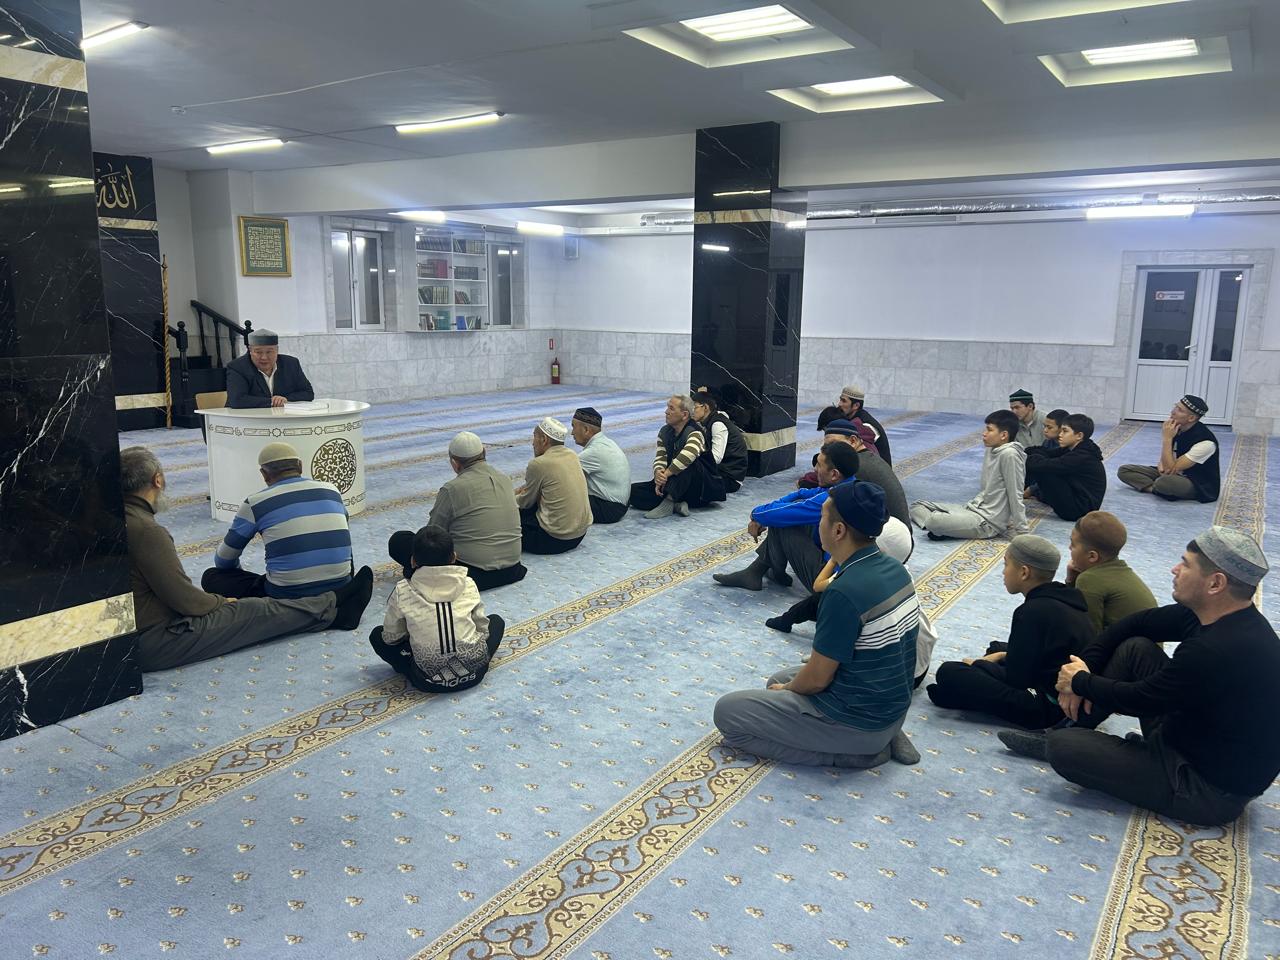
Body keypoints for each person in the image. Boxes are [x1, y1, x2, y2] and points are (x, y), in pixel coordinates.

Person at [999, 528, 1280, 827]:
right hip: (1192, 737)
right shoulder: (1215, 617)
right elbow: (1133, 624)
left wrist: (1079, 681)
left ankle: (1077, 738)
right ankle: (1074, 725)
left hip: (1205, 789)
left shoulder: (1215, 648)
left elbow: (1142, 698)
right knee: (1135, 648)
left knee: (1064, 748)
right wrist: (1084, 666)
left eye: (1185, 564)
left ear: (1215, 583)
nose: (1175, 569)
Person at [713, 481, 920, 768]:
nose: (817, 524)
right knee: (778, 679)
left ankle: (854, 754)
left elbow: (817, 680)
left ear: (838, 530)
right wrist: (787, 687)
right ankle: (882, 737)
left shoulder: (844, 592)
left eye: (821, 517)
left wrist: (789, 690)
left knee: (728, 714)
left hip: (859, 723)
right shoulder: (896, 569)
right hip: (891, 711)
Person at [120, 446, 372, 672]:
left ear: (264, 474)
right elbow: (187, 602)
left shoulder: (120, 521)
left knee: (221, 582)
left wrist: (222, 598)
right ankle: (334, 608)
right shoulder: (146, 530)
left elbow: (222, 562)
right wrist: (221, 603)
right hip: (152, 639)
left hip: (128, 634)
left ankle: (332, 604)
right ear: (158, 480)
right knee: (253, 610)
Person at [927, 535, 1093, 728]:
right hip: (1060, 687)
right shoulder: (1064, 597)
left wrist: (980, 664)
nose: (1003, 572)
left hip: (1046, 706)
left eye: (1006, 565)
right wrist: (999, 656)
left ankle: (961, 695)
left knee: (949, 672)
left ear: (1024, 572)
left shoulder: (1031, 611)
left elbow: (1017, 679)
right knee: (996, 648)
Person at [202, 442, 353, 599]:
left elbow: (224, 560)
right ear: (300, 466)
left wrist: (237, 574)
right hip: (340, 589)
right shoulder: (331, 490)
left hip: (285, 596)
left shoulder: (255, 502)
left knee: (211, 576)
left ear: (264, 474)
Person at [369, 525, 505, 693]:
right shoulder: (468, 583)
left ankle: (414, 667)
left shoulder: (403, 590)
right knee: (497, 621)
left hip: (427, 681)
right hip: (475, 673)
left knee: (377, 635)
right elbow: (483, 631)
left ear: (413, 561)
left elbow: (391, 638)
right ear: (454, 557)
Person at [712, 441, 860, 593]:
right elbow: (803, 494)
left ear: (834, 474)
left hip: (830, 582)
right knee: (786, 514)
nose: (815, 469)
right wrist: (769, 512)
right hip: (847, 571)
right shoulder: (849, 487)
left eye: (819, 465)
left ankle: (762, 572)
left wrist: (755, 514)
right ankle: (763, 572)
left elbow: (780, 514)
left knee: (783, 521)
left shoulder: (831, 501)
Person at [387, 431, 526, 590]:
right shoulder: (505, 479)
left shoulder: (452, 489)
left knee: (400, 540)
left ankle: (421, 575)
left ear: (454, 463)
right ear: (484, 452)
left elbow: (432, 536)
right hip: (512, 569)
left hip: (471, 575)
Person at [910, 410, 1028, 541]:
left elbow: (1015, 493)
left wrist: (1022, 530)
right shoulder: (991, 449)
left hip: (987, 522)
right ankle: (942, 527)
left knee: (934, 520)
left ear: (1004, 435)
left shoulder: (1010, 455)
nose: (984, 433)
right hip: (972, 508)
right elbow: (987, 489)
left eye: (989, 430)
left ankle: (940, 526)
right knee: (917, 505)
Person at [630, 395, 726, 518]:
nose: (666, 412)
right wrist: (658, 474)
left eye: (671, 408)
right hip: (675, 485)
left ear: (684, 415)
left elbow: (689, 455)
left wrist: (666, 474)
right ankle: (675, 505)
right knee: (633, 491)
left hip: (700, 490)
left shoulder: (695, 432)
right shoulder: (665, 431)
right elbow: (661, 457)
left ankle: (668, 501)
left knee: (688, 463)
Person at [1064, 511, 1157, 634]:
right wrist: (1072, 581)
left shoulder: (1090, 578)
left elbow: (1086, 632)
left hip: (1128, 646)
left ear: (1092, 556)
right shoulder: (1120, 571)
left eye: (1073, 544)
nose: (1069, 548)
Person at [1117, 395, 1220, 503]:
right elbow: (1165, 462)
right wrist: (1161, 465)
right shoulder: (1177, 428)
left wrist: (1167, 439)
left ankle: (1160, 488)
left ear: (1191, 418)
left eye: (1179, 410)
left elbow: (1170, 469)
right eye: (1175, 407)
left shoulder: (1206, 443)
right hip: (1172, 472)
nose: (1173, 412)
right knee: (1124, 471)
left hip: (1196, 483)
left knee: (1164, 482)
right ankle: (1156, 490)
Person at [515, 417, 592, 554]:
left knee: (506, 519)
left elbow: (525, 502)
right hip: (579, 536)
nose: (532, 443)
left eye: (534, 437)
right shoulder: (572, 455)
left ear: (544, 439)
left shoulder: (539, 463)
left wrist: (505, 499)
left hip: (553, 540)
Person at [822, 420, 909, 527]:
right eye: (827, 446)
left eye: (833, 444)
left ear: (853, 441)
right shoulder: (867, 457)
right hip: (899, 531)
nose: (829, 451)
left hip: (887, 534)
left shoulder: (856, 467)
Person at [1023, 413, 1106, 521]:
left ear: (1079, 436)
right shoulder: (1075, 448)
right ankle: (1019, 492)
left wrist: (1022, 457)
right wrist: (1024, 451)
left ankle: (1015, 495)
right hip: (1076, 499)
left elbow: (1046, 465)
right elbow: (1047, 452)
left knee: (1042, 469)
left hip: (1079, 510)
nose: (1060, 435)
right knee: (1038, 462)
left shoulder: (1082, 456)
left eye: (1065, 431)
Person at [225, 328, 315, 409]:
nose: (264, 357)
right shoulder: (237, 367)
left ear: (277, 350)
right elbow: (237, 400)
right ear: (250, 351)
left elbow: (308, 393)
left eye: (269, 352)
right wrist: (272, 401)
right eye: (258, 352)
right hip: (244, 419)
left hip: (281, 417)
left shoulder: (291, 364)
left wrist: (285, 399)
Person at [571, 407, 631, 524]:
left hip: (609, 509)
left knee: (559, 498)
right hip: (619, 506)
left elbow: (561, 475)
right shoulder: (607, 443)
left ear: (586, 429)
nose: (572, 432)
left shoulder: (594, 451)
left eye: (573, 427)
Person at [693, 393, 748, 494]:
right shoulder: (710, 421)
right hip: (721, 472)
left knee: (688, 476)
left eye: (694, 407)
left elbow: (716, 458)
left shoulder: (717, 424)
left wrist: (692, 460)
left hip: (730, 478)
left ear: (705, 407)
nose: (691, 412)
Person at [837, 385, 891, 465]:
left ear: (856, 405)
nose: (839, 404)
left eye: (844, 401)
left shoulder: (864, 425)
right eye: (840, 400)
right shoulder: (852, 418)